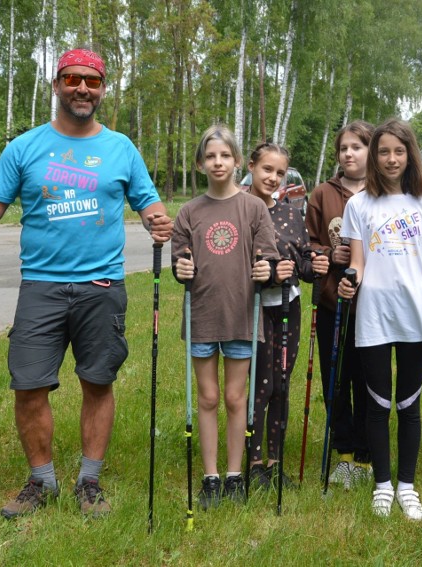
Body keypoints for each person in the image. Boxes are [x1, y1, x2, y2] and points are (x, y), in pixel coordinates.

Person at [0, 48, 173, 519]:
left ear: (103, 88)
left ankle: (89, 481)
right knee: (28, 385)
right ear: (56, 85)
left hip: (102, 287)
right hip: (41, 286)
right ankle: (41, 482)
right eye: (72, 79)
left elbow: (149, 203)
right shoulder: (24, 148)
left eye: (91, 80)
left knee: (97, 381)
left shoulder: (121, 148)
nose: (82, 88)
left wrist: (158, 222)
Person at [338, 118, 422, 521]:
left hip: (415, 316)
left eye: (399, 151)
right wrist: (348, 284)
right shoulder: (358, 205)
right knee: (377, 404)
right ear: (375, 156)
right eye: (384, 151)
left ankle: (407, 485)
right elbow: (357, 263)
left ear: (411, 156)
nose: (391, 159)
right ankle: (383, 485)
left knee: (409, 405)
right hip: (373, 315)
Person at [170, 125, 279, 509]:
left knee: (236, 398)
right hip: (202, 315)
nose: (218, 162)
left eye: (225, 155)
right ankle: (211, 476)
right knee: (208, 397)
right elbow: (179, 262)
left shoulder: (254, 208)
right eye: (211, 156)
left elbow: (267, 257)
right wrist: (179, 269)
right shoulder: (188, 212)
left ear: (237, 161)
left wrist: (266, 269)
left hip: (241, 317)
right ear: (201, 163)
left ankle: (235, 474)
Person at [244, 142, 330, 489]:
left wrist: (316, 265)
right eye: (267, 169)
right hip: (253, 308)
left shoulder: (291, 212)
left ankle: (276, 463)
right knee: (259, 386)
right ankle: (253, 462)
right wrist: (267, 271)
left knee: (281, 382)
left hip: (288, 306)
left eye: (280, 173)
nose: (273, 178)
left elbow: (303, 261)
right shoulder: (240, 209)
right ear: (251, 167)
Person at [305, 120, 375, 489]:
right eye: (343, 148)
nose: (349, 153)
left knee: (369, 379)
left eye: (357, 147)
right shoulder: (322, 194)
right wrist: (329, 253)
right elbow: (309, 242)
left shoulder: (385, 193)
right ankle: (344, 453)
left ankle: (367, 453)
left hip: (375, 306)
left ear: (371, 151)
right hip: (335, 303)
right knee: (336, 381)